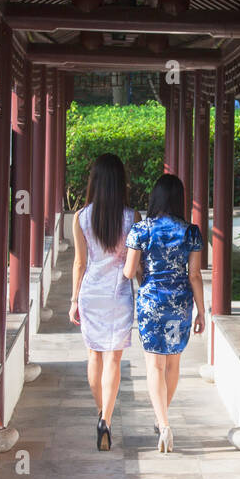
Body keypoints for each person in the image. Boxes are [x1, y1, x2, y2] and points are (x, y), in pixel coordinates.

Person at [123, 174, 205, 453]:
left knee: (154, 365)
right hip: (179, 305)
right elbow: (194, 275)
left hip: (151, 304)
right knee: (173, 364)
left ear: (155, 197)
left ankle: (164, 423)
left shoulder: (141, 230)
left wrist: (141, 274)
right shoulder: (190, 232)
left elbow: (128, 270)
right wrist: (201, 312)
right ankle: (162, 420)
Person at [68, 153, 137, 451]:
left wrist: (73, 300)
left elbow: (79, 263)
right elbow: (135, 262)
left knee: (94, 356)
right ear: (120, 182)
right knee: (114, 359)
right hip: (119, 293)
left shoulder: (81, 217)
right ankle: (107, 418)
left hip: (91, 292)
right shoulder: (132, 217)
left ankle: (101, 415)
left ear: (94, 181)